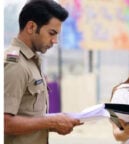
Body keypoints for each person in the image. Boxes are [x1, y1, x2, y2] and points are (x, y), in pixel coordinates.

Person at [4, 0, 81, 144]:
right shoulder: (15, 64)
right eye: (52, 33)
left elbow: (28, 115)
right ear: (31, 27)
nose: (55, 40)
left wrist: (57, 121)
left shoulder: (32, 61)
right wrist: (50, 122)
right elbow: (5, 123)